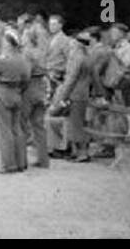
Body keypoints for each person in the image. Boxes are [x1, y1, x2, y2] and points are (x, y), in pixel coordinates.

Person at [0, 29, 32, 173]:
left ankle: (8, 164)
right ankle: (21, 162)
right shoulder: (23, 60)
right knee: (17, 129)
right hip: (17, 93)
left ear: (9, 44)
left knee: (4, 131)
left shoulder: (3, 60)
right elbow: (26, 80)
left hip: (2, 92)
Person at [50, 30, 95, 163]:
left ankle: (82, 153)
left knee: (76, 124)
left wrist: (63, 96)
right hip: (83, 93)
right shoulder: (87, 56)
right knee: (77, 123)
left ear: (77, 43)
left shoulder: (77, 57)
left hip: (75, 93)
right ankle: (79, 152)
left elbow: (71, 79)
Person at [21, 28, 50, 169]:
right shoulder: (41, 51)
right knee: (39, 126)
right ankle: (44, 160)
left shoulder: (27, 52)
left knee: (22, 124)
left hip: (30, 88)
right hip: (41, 88)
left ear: (27, 38)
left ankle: (22, 161)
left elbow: (26, 74)